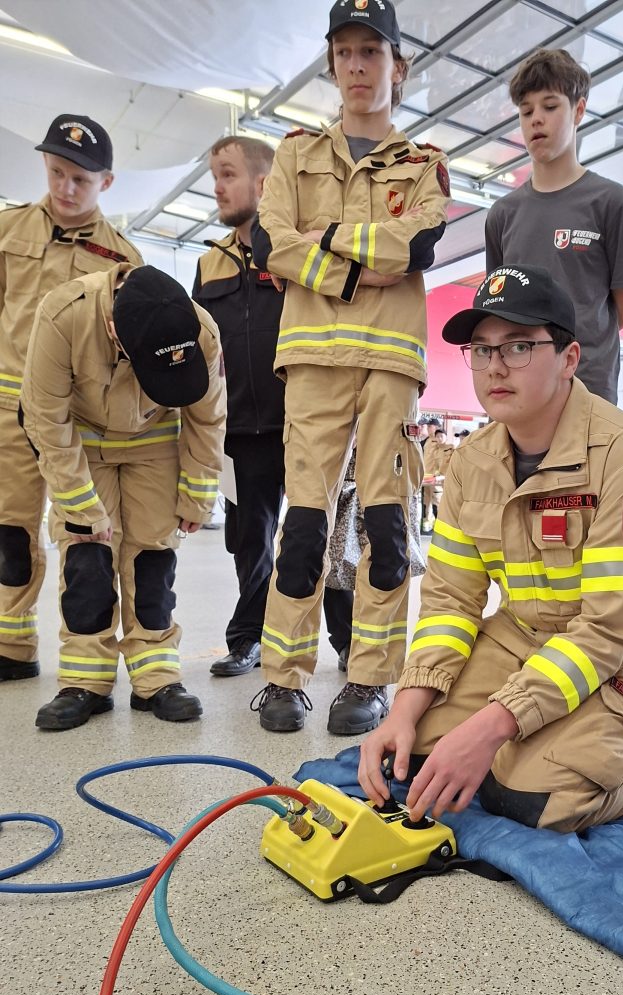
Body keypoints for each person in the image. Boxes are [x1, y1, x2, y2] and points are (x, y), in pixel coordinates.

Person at [358, 265, 623, 832]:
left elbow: (610, 630)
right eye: (482, 349)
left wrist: (495, 723)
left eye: (518, 346)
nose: (495, 366)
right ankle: (554, 727)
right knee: (414, 758)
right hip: (524, 634)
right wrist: (404, 709)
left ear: (568, 358)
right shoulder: (471, 463)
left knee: (538, 798)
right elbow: (450, 603)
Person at [251, 0, 450, 735]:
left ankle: (370, 677)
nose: (359, 65)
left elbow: (420, 244)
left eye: (373, 51)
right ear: (333, 66)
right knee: (305, 523)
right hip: (313, 357)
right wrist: (356, 273)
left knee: (387, 526)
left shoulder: (424, 164)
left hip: (392, 359)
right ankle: (283, 678)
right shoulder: (294, 155)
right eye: (346, 52)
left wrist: (327, 235)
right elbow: (270, 241)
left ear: (399, 66)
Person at [20, 265, 226, 730]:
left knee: (154, 555)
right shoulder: (63, 316)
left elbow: (208, 417)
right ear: (114, 330)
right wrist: (81, 506)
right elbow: (46, 419)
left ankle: (157, 675)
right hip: (82, 443)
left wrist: (198, 493)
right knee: (87, 555)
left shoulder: (198, 329)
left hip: (154, 441)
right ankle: (85, 681)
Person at [193, 135, 353, 678]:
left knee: (320, 531)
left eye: (229, 174)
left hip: (305, 418)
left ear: (263, 184)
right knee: (249, 541)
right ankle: (250, 639)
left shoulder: (295, 249)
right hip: (239, 429)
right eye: (215, 175)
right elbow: (202, 349)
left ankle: (347, 639)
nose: (218, 186)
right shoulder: (208, 264)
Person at [0, 113, 142, 684]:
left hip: (78, 423)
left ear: (106, 182)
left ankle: (85, 666)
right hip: (9, 411)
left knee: (84, 537)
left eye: (80, 179)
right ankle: (12, 644)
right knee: (10, 530)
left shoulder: (123, 258)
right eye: (57, 172)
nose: (65, 188)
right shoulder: (8, 231)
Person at [484, 49, 623, 405]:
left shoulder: (613, 202)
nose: (536, 120)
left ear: (579, 110)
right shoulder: (502, 215)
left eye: (550, 106)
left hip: (589, 387)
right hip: (518, 387)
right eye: (526, 111)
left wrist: (565, 349)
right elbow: (498, 305)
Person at [421, 425, 453, 532]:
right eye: (437, 436)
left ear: (446, 436)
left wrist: (443, 475)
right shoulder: (434, 448)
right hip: (431, 479)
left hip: (444, 481)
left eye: (441, 436)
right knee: (428, 501)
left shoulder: (451, 448)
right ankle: (430, 524)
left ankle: (441, 525)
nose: (439, 438)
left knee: (439, 501)